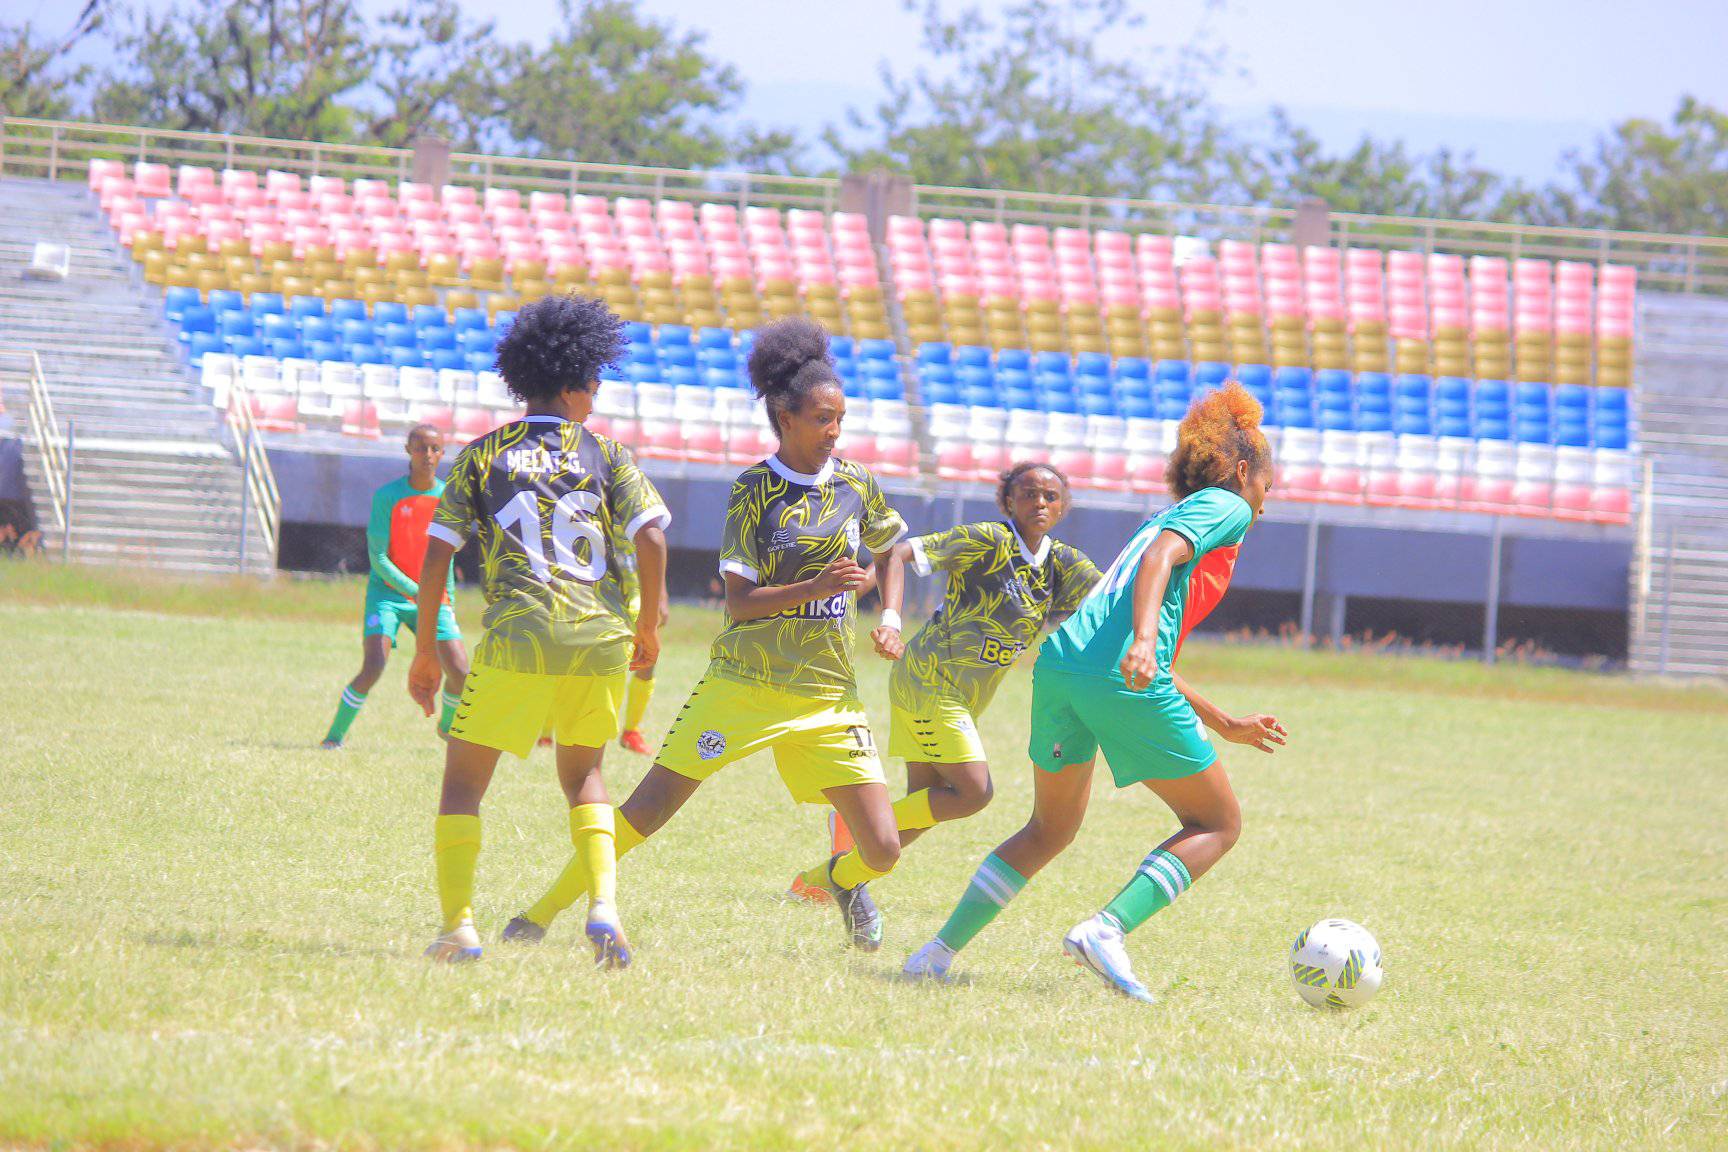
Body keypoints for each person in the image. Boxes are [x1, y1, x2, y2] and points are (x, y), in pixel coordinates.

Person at [508, 317, 910, 951]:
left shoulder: (856, 483)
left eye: (840, 419)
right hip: (744, 684)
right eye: (820, 419)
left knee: (883, 850)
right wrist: (817, 588)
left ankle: (839, 881)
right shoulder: (754, 490)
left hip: (829, 695)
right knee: (648, 809)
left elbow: (894, 547)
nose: (833, 432)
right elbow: (742, 604)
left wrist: (887, 613)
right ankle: (540, 911)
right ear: (784, 414)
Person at [904, 381, 1288, 1001]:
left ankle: (934, 954)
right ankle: (1105, 931)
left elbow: (1143, 634)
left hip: (1062, 668)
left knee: (1048, 829)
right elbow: (1160, 562)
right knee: (1217, 823)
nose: (1266, 504)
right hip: (1116, 673)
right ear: (1244, 471)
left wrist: (1221, 721)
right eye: (1268, 486)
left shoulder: (1170, 514)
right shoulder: (1227, 507)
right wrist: (1142, 640)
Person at [406, 295, 670, 968]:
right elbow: (654, 541)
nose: (597, 395)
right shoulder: (607, 454)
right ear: (575, 384)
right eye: (595, 382)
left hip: (520, 633)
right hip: (600, 636)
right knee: (584, 776)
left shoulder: (481, 455)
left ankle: (458, 928)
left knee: (463, 783)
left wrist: (426, 653)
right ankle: (604, 908)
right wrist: (647, 628)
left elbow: (438, 553)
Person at [787, 462, 1101, 904]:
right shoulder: (989, 540)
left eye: (1051, 496)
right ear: (1009, 500)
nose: (1040, 503)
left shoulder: (1064, 564)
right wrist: (891, 621)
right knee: (972, 793)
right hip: (927, 680)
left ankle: (824, 881)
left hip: (963, 698)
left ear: (1064, 506)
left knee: (927, 805)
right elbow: (896, 553)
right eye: (1029, 493)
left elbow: (1109, 602)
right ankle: (853, 837)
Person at [321, 424, 468, 749]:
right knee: (374, 664)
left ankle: (446, 728)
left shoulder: (448, 497)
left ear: (442, 453)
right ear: (408, 451)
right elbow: (378, 558)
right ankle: (333, 738)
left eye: (434, 449)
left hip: (432, 597)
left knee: (460, 670)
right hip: (387, 595)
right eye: (420, 448)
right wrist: (416, 591)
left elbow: (447, 559)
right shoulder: (388, 496)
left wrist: (447, 601)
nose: (427, 455)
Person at [610, 522, 668, 757]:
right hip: (600, 597)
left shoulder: (634, 500)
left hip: (636, 595)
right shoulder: (588, 497)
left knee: (647, 659)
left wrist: (661, 595)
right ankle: (547, 731)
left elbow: (656, 543)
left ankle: (631, 731)